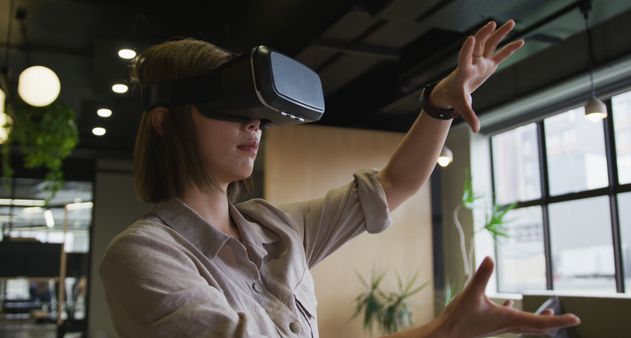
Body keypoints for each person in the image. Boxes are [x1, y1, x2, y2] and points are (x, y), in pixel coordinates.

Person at [100, 20, 581, 337]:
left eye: (257, 112)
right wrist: (441, 331)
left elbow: (393, 185)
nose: (254, 124)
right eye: (230, 108)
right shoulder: (143, 256)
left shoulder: (275, 229)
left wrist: (439, 103)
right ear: (165, 122)